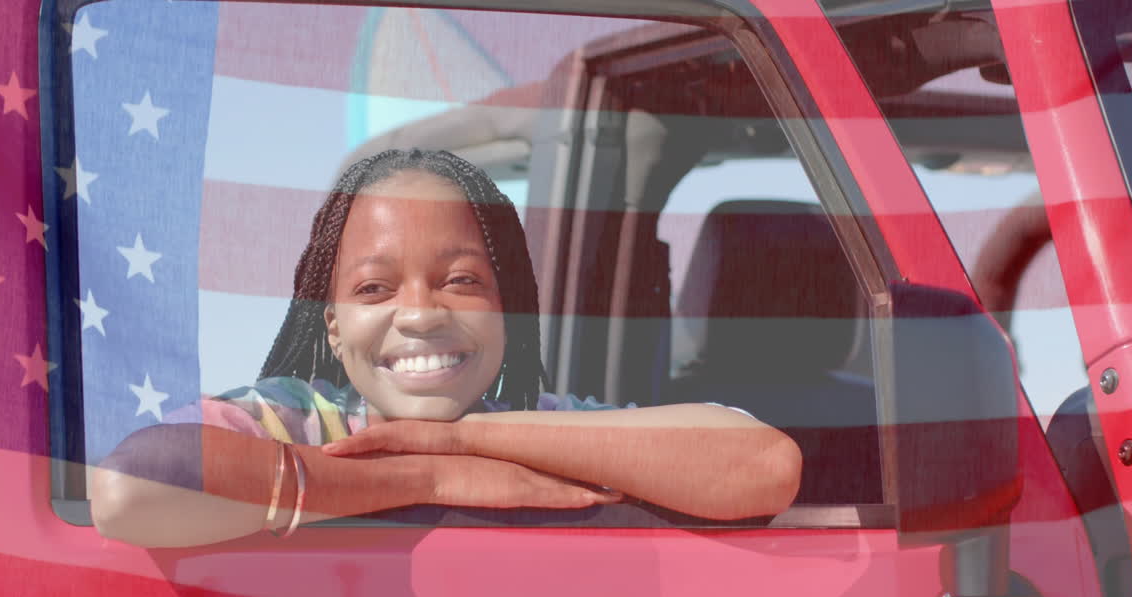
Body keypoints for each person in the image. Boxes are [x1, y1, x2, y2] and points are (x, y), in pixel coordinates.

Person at [90, 149, 801, 547]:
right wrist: (426, 478)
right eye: (374, 289)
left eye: (461, 281)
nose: (421, 314)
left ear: (506, 312)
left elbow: (765, 465)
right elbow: (132, 486)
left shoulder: (545, 427)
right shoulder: (288, 419)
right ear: (331, 326)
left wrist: (464, 441)